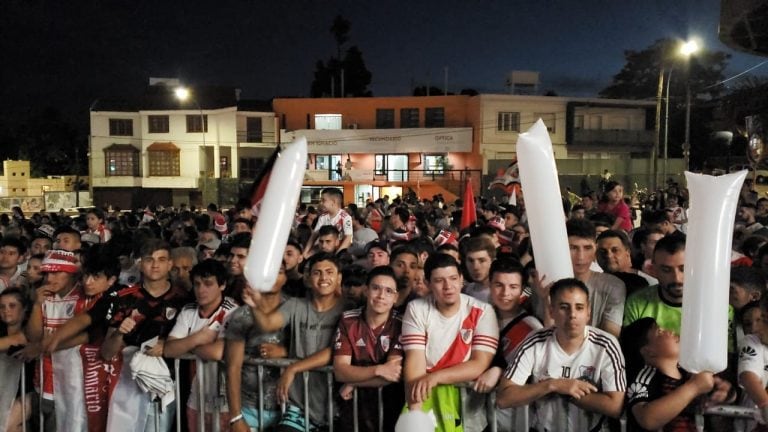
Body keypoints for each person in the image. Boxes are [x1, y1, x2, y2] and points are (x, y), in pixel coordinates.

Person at [497, 278, 626, 431]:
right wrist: (553, 385)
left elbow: (615, 406)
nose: (572, 314)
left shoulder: (606, 345)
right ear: (551, 311)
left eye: (579, 307)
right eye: (564, 307)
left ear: (588, 312)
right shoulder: (535, 341)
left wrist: (568, 391)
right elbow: (504, 398)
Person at [242, 253, 345, 432]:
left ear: (339, 278)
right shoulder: (296, 305)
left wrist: (293, 368)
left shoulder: (348, 308)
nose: (323, 278)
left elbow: (335, 351)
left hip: (336, 405)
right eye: (317, 273)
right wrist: (253, 304)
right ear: (308, 277)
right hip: (299, 405)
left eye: (329, 272)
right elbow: (268, 323)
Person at [97, 239, 190, 432]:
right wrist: (119, 334)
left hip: (169, 385)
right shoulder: (123, 298)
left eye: (161, 259)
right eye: (149, 259)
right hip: (127, 386)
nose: (155, 264)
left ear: (170, 264)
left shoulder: (184, 299)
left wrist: (167, 345)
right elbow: (106, 352)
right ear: (140, 263)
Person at [401, 253, 498, 431]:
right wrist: (415, 413)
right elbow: (415, 361)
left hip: (469, 404)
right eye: (439, 281)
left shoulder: (483, 311)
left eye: (453, 278)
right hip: (425, 396)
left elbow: (479, 364)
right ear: (428, 284)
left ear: (461, 279)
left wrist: (436, 377)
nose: (448, 287)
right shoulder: (416, 309)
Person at [165, 259, 238, 431]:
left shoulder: (232, 310)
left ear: (222, 285)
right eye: (197, 284)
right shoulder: (189, 310)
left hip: (226, 401)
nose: (201, 290)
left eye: (208, 284)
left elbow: (216, 352)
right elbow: (169, 350)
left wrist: (186, 346)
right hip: (196, 399)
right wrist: (199, 338)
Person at [621, 317, 731, 431]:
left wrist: (726, 392)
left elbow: (717, 399)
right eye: (660, 332)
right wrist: (694, 387)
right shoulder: (644, 377)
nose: (670, 331)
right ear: (648, 351)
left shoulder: (690, 373)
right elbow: (647, 419)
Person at [473, 259, 542, 432]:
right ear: (489, 284)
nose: (505, 293)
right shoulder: (478, 317)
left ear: (521, 289)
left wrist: (499, 370)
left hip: (518, 419)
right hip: (479, 416)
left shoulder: (531, 326)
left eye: (513, 287)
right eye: (499, 285)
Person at [333, 266, 404, 432]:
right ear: (366, 290)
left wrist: (353, 382)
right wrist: (379, 369)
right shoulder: (348, 320)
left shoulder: (401, 323)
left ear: (396, 297)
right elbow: (340, 371)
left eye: (388, 291)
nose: (381, 296)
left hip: (390, 404)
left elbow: (393, 374)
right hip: (353, 408)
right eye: (376, 288)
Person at [537, 219, 626, 338]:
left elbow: (610, 337)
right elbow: (547, 336)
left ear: (595, 248)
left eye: (587, 248)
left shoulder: (613, 286)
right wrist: (546, 300)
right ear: (562, 248)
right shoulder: (544, 283)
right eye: (573, 248)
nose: (581, 256)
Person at [0, 288, 31, 432]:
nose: (6, 310)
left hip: (26, 392)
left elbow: (17, 340)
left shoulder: (30, 331)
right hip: (3, 390)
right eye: (2, 306)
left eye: (12, 306)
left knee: (8, 425)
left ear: (24, 309)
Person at [303, 188, 353, 258]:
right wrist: (305, 252)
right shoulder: (323, 217)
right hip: (323, 248)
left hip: (339, 249)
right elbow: (314, 235)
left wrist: (337, 255)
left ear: (333, 202)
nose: (321, 203)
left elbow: (348, 238)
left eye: (323, 200)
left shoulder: (345, 217)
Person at [462, 236, 496, 303]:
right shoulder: (466, 290)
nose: (475, 267)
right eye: (471, 261)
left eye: (482, 261)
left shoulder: (501, 294)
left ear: (493, 262)